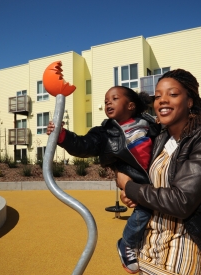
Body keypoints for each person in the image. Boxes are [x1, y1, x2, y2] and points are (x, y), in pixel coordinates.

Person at [116, 69, 201, 275]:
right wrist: (130, 191)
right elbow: (142, 175)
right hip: (148, 244)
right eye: (158, 96)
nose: (162, 100)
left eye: (173, 94)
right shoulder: (161, 138)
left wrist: (130, 187)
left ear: (189, 101)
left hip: (183, 248)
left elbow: (181, 201)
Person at [46, 86, 161, 274]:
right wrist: (62, 136)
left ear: (131, 105)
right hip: (138, 181)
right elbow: (83, 145)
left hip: (155, 178)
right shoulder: (105, 133)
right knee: (145, 209)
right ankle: (127, 243)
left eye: (114, 98)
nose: (108, 102)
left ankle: (139, 245)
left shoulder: (149, 123)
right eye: (106, 99)